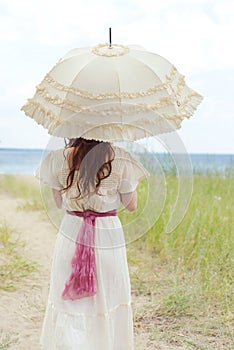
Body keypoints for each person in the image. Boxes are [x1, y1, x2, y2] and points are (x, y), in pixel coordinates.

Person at [36, 137, 149, 350]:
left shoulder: (59, 158)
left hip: (72, 229)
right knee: (108, 295)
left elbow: (58, 203)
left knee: (68, 299)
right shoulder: (122, 158)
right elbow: (131, 205)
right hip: (106, 232)